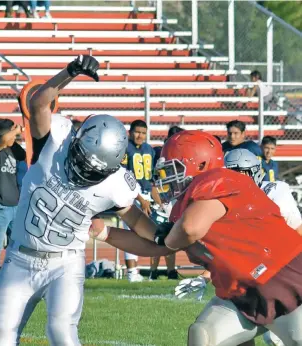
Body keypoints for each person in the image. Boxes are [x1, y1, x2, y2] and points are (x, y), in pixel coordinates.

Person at [90, 130, 302, 346]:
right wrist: (106, 230)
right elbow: (158, 244)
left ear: (201, 165)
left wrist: (169, 239)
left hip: (285, 280)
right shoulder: (191, 203)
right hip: (241, 294)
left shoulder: (222, 180)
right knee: (204, 336)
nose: (167, 178)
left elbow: (190, 229)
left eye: (173, 170)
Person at [0, 55, 150, 345]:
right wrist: (69, 72)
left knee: (61, 333)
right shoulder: (55, 140)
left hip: (64, 265)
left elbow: (138, 222)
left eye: (96, 168)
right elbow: (39, 103)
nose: (85, 169)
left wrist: (165, 235)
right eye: (82, 159)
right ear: (76, 140)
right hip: (19, 257)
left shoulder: (115, 184)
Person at [177, 148, 302, 346]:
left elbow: (297, 233)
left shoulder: (274, 191)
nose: (236, 178)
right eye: (231, 172)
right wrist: (206, 276)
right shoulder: (216, 201)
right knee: (204, 335)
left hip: (283, 278)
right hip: (243, 289)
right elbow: (226, 254)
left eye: (241, 173)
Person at [120, 120, 161, 282]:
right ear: (130, 132)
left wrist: (157, 200)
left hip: (147, 196)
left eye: (143, 133)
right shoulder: (125, 148)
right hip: (131, 195)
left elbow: (151, 180)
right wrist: (140, 199)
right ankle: (132, 272)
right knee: (132, 233)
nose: (140, 136)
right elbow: (123, 177)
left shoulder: (149, 150)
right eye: (137, 132)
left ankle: (151, 272)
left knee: (152, 232)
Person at [0, 119, 26, 278]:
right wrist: (15, 132)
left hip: (14, 205)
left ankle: (11, 277)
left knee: (15, 245)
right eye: (11, 131)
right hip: (0, 205)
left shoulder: (13, 150)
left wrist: (14, 139)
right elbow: (2, 141)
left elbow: (22, 155)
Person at [149, 125, 185, 281]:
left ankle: (171, 271)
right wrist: (161, 202)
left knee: (172, 238)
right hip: (163, 198)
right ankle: (153, 271)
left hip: (175, 198)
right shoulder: (159, 154)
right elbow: (154, 183)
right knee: (158, 237)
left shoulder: (184, 156)